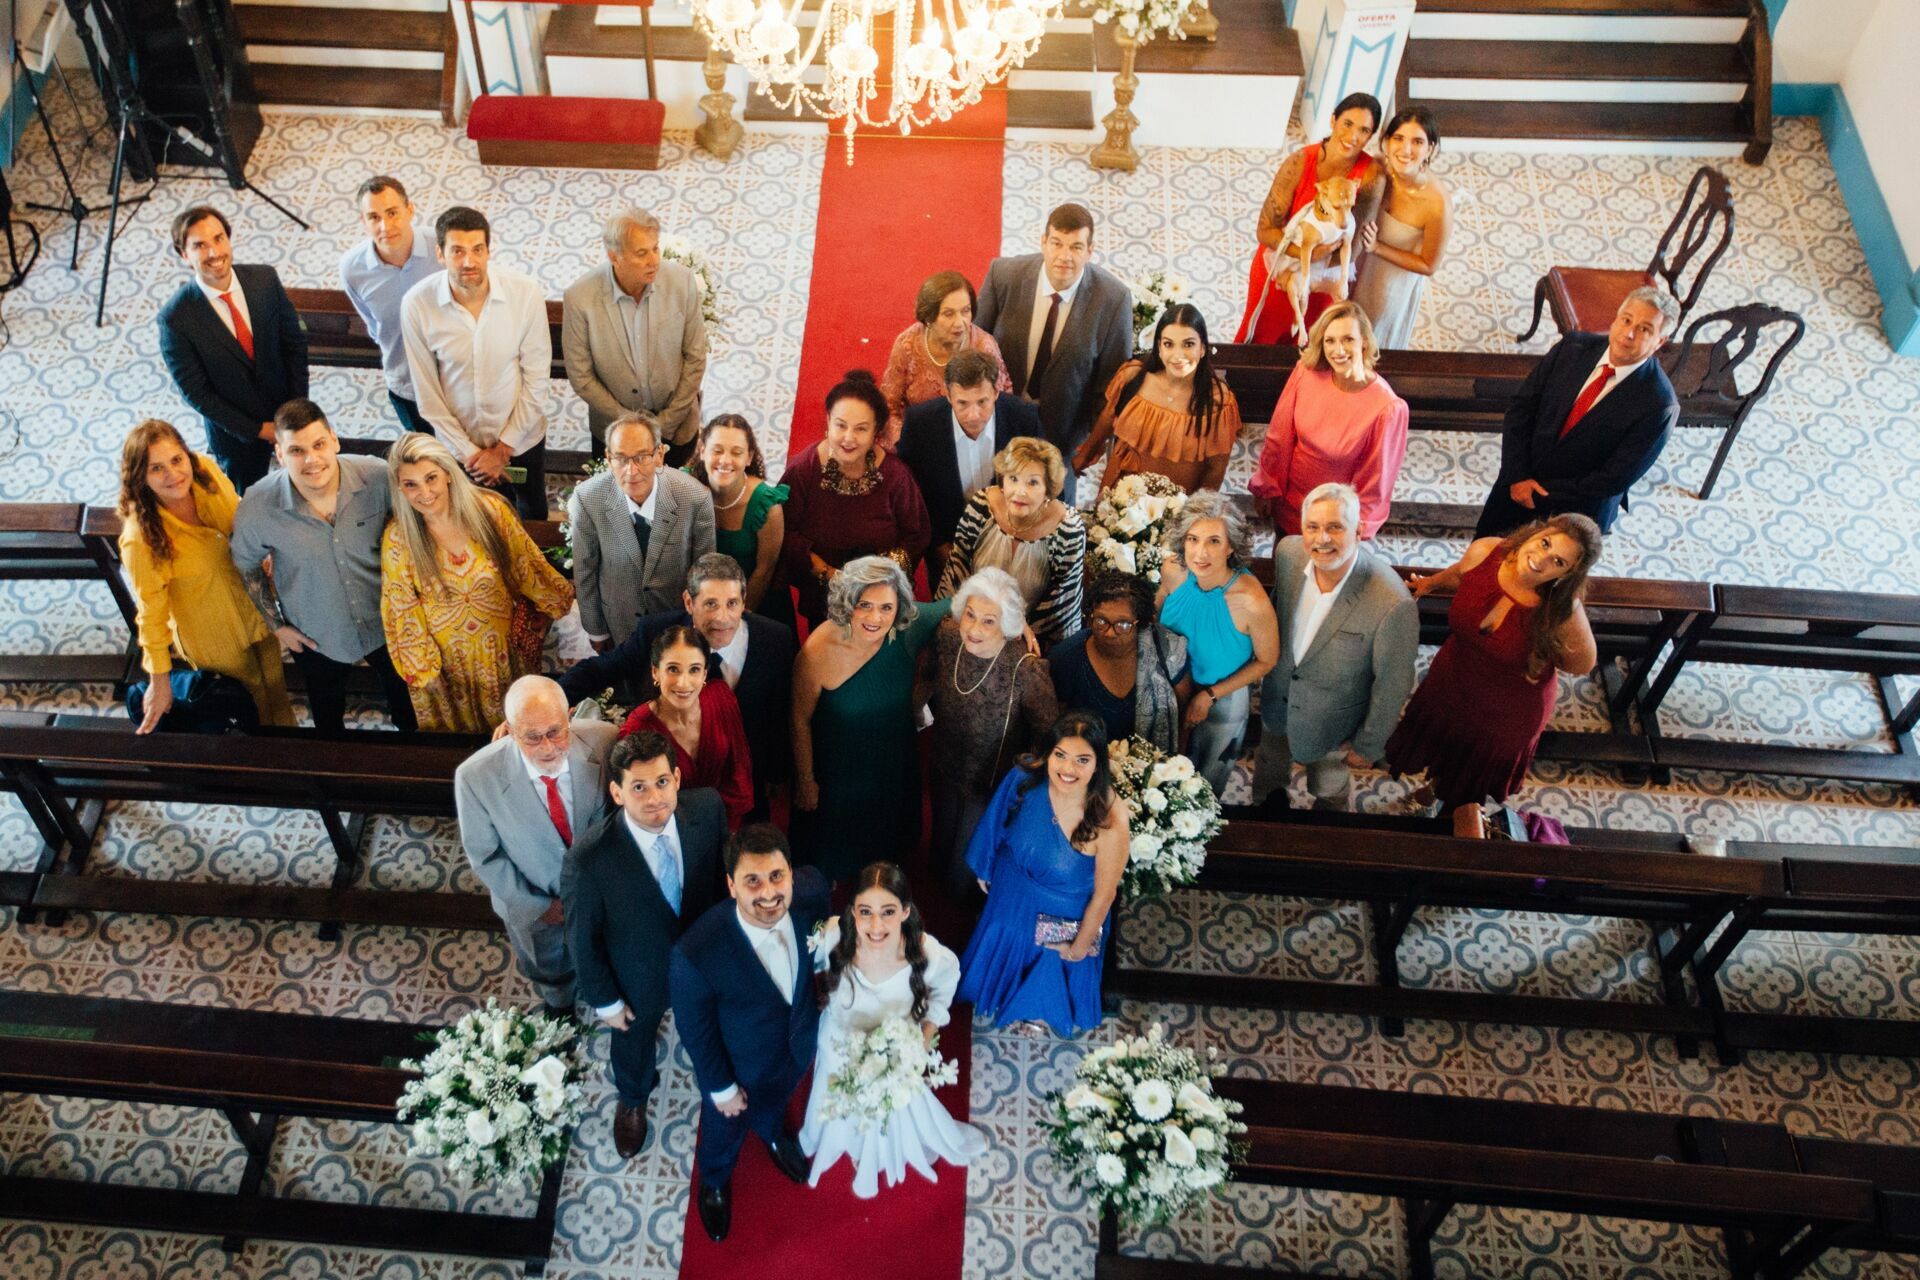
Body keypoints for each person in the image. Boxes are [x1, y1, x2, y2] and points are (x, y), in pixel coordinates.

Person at [669, 824, 833, 1243]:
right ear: (731, 885)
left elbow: (825, 945)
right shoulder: (696, 953)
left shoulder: (810, 895)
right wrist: (721, 1088)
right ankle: (716, 1178)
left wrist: (825, 979)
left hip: (797, 1045)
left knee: (777, 1101)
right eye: (752, 881)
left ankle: (774, 1133)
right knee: (724, 1132)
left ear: (792, 874)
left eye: (777, 876)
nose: (768, 893)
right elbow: (696, 1032)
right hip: (738, 1067)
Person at [567, 730, 727, 1158]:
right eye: (638, 787)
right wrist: (606, 1002)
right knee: (634, 1042)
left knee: (714, 1026)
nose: (654, 796)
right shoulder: (591, 858)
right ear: (617, 792)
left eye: (661, 782)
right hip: (637, 977)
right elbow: (583, 941)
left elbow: (717, 884)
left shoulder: (708, 809)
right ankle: (633, 1099)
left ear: (676, 778)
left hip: (700, 958)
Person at [1387, 516, 1602, 821]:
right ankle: (1430, 790)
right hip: (1453, 679)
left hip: (1506, 713)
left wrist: (1541, 649)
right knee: (1440, 743)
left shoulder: (1562, 610)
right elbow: (1462, 575)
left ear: (1567, 574)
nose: (1540, 560)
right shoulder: (1486, 550)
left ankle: (1451, 816)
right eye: (1545, 543)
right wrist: (1430, 584)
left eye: (1558, 561)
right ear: (1537, 531)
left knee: (1467, 778)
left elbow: (1583, 663)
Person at [798, 862, 986, 1197]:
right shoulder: (833, 935)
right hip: (839, 1043)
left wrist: (923, 1038)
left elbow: (946, 984)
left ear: (905, 912)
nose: (875, 925)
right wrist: (822, 996)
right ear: (852, 910)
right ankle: (843, 1140)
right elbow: (802, 969)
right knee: (839, 1101)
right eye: (865, 911)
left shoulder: (926, 953)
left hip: (892, 1053)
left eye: (887, 912)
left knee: (887, 1109)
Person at [230, 399, 416, 734]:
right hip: (315, 632)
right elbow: (246, 564)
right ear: (281, 454)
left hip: (387, 622)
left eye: (318, 445)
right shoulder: (258, 506)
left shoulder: (377, 478)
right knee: (327, 714)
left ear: (334, 440)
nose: (312, 460)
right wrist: (276, 624)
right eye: (297, 450)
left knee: (408, 707)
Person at [559, 555, 795, 817]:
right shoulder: (656, 632)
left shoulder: (776, 639)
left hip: (745, 785)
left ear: (744, 602)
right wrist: (545, 703)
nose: (722, 618)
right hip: (670, 796)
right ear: (688, 602)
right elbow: (599, 670)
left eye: (732, 604)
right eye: (711, 604)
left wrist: (777, 773)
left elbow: (780, 711)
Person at [379, 433, 574, 734]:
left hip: (502, 651)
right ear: (400, 489)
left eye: (431, 478)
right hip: (447, 666)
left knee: (519, 734)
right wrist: (424, 669)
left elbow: (525, 564)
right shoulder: (398, 538)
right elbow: (400, 607)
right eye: (410, 484)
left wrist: (559, 602)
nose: (424, 492)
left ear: (447, 473)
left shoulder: (490, 511)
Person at [956, 711, 1130, 1038]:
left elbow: (1105, 895)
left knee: (1045, 968)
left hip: (1062, 910)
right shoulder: (1024, 777)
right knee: (1002, 944)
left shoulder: (1110, 818)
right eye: (1060, 755)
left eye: (1082, 760)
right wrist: (986, 863)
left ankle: (1038, 1008)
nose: (1067, 769)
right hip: (1010, 888)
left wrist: (1079, 947)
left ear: (1098, 764)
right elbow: (996, 818)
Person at [117, 419, 294, 732]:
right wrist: (159, 681)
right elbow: (151, 614)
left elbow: (238, 514)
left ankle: (289, 742)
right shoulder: (140, 539)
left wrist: (265, 550)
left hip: (253, 602)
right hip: (212, 634)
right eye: (156, 468)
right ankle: (271, 759)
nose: (173, 474)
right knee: (250, 702)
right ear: (140, 477)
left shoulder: (204, 470)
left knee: (276, 685)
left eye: (176, 459)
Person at [1249, 484, 1418, 812]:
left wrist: (1368, 746)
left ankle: (1328, 820)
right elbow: (1276, 609)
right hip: (1278, 701)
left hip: (1334, 725)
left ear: (1359, 531)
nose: (1321, 539)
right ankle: (1268, 805)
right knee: (1270, 767)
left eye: (1334, 527)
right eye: (1312, 527)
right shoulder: (1288, 553)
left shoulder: (1392, 603)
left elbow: (1392, 685)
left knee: (1328, 788)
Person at [454, 676, 616, 1015]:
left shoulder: (605, 741)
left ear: (569, 715)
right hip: (535, 902)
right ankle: (560, 1005)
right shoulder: (475, 777)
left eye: (556, 731)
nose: (548, 747)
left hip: (600, 892)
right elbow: (485, 856)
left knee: (604, 948)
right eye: (532, 737)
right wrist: (538, 905)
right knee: (549, 963)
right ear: (510, 731)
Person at [791, 556, 948, 884]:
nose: (876, 618)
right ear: (846, 603)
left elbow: (961, 603)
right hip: (838, 774)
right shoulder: (817, 651)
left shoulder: (906, 627)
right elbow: (799, 720)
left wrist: (1016, 621)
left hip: (893, 765)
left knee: (888, 846)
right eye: (864, 605)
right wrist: (806, 780)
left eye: (886, 608)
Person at [1477, 287, 1681, 537]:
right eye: (1626, 320)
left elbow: (1613, 478)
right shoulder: (1573, 346)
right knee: (1482, 553)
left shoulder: (1658, 404)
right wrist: (1518, 475)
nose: (1628, 334)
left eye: (1644, 329)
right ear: (1616, 318)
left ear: (1660, 341)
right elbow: (1522, 408)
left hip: (1574, 515)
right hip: (1516, 485)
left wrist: (1539, 495)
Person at [400, 206, 552, 519]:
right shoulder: (417, 304)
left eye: (477, 250)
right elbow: (428, 396)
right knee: (471, 516)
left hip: (521, 441)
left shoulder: (524, 294)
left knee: (531, 508)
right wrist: (473, 455)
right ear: (440, 254)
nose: (469, 262)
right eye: (457, 251)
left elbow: (537, 379)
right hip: (460, 449)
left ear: (488, 250)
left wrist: (503, 449)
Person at [974, 203, 1135, 487]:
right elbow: (976, 345)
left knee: (1055, 510)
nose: (1064, 256)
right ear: (1043, 242)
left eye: (1075, 247)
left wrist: (1091, 444)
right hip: (999, 417)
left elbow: (1110, 387)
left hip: (1063, 434)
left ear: (1090, 250)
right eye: (1057, 243)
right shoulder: (1004, 275)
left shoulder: (1113, 299)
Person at [925, 568, 1059, 899]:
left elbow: (1048, 734)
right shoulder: (947, 636)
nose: (973, 628)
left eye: (989, 621)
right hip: (945, 762)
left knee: (961, 877)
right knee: (937, 853)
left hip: (987, 783)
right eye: (970, 615)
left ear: (1009, 627)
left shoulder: (1026, 669)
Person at [156, 205, 309, 492]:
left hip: (287, 407)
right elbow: (197, 393)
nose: (214, 253)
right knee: (251, 493)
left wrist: (298, 408)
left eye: (218, 239)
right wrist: (258, 430)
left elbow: (294, 344)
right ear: (184, 255)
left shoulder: (264, 280)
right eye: (200, 245)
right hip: (236, 434)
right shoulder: (176, 319)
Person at [780, 371, 932, 627]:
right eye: (840, 425)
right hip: (823, 590)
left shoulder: (896, 476)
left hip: (880, 594)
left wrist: (878, 578)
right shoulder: (802, 471)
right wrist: (828, 574)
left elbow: (916, 534)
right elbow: (785, 531)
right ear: (827, 422)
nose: (848, 438)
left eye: (861, 429)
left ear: (875, 432)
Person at [1248, 301, 1409, 540]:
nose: (1338, 350)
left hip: (1334, 521)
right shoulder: (1306, 372)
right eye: (1330, 340)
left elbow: (1375, 483)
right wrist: (1266, 488)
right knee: (1285, 563)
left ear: (1364, 341)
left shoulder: (1387, 408)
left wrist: (1352, 530)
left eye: (1348, 339)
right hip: (1290, 504)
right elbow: (1279, 436)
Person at [1236, 92, 1386, 346]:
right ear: (1333, 120)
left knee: (1309, 342)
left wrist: (1316, 275)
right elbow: (1265, 230)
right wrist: (1298, 261)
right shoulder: (1299, 162)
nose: (1352, 137)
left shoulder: (1371, 176)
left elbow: (1357, 241)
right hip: (1280, 266)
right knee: (1261, 338)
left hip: (1326, 277)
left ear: (1371, 136)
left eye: (1363, 130)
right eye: (1347, 124)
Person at [562, 207, 709, 463]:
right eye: (642, 253)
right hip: (615, 432)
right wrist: (630, 427)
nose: (654, 260)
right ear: (614, 257)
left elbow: (696, 357)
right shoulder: (580, 298)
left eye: (655, 248)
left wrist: (666, 421)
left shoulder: (682, 282)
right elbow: (581, 375)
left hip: (676, 429)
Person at [1155, 493, 1279, 794]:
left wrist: (1210, 695)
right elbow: (1156, 619)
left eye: (1213, 541)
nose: (1200, 553)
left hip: (1223, 694)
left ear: (1230, 547)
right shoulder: (1172, 571)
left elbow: (1267, 660)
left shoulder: (1251, 601)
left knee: (1208, 778)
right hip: (1170, 685)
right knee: (1160, 767)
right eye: (1193, 539)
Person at [568, 412, 716, 651]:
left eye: (641, 457)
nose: (631, 470)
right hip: (618, 623)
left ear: (659, 455)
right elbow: (585, 570)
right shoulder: (588, 498)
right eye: (621, 458)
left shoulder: (695, 498)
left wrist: (698, 627)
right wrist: (596, 631)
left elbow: (705, 573)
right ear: (608, 458)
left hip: (676, 622)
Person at [896, 349, 1043, 587]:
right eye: (962, 403)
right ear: (947, 394)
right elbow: (913, 495)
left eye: (982, 402)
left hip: (1013, 544)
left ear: (996, 392)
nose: (973, 415)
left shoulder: (1023, 418)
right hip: (946, 544)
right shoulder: (920, 424)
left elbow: (1045, 483)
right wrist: (940, 545)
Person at [1074, 304, 1243, 495]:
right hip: (1121, 493)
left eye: (1188, 344)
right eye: (1169, 344)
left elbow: (1216, 470)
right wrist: (1085, 454)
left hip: (1175, 505)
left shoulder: (1218, 404)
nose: (1178, 356)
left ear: (1203, 348)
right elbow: (1108, 417)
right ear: (1159, 348)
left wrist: (1197, 513)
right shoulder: (1132, 378)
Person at [936, 436, 1086, 649]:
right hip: (972, 627)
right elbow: (956, 574)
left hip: (1031, 639)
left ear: (1048, 489)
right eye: (1013, 478)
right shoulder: (981, 506)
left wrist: (1016, 633)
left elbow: (1062, 605)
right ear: (1003, 481)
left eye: (1032, 482)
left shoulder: (1068, 528)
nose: (1020, 491)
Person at [616, 625, 754, 828]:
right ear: (655, 672)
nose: (683, 683)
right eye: (673, 669)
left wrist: (728, 833)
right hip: (670, 832)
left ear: (705, 673)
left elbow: (739, 771)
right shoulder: (636, 729)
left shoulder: (721, 698)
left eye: (694, 670)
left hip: (726, 824)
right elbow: (639, 803)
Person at [1046, 569, 1191, 755]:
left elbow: (1182, 712)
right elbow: (1054, 725)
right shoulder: (1067, 658)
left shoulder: (1167, 650)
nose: (1109, 632)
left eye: (1123, 625)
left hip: (1148, 763)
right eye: (1100, 621)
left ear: (1141, 623)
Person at [339, 175, 440, 433]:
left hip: (452, 379)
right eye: (374, 217)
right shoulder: (352, 269)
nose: (385, 226)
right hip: (406, 384)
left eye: (393, 212)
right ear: (363, 221)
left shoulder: (440, 246)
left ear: (410, 210)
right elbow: (373, 324)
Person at [878, 270, 1013, 446]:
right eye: (948, 314)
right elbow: (889, 405)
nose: (960, 323)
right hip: (919, 439)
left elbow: (1002, 399)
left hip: (972, 438)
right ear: (929, 317)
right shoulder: (907, 345)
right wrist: (905, 442)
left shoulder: (984, 346)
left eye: (965, 311)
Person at [1352, 106, 1451, 350]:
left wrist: (1377, 248)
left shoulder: (1437, 204)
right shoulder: (1376, 168)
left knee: (1369, 337)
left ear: (1431, 148)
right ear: (1386, 141)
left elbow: (1428, 265)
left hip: (1388, 282)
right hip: (1354, 262)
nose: (1406, 150)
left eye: (1417, 141)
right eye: (1398, 138)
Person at [687, 414, 788, 625]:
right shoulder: (684, 488)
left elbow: (765, 569)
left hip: (748, 601)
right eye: (717, 450)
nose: (725, 460)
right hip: (694, 599)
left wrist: (735, 617)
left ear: (749, 457)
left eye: (736, 452)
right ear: (702, 451)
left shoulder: (766, 505)